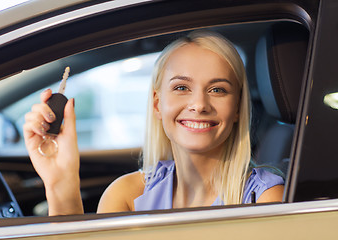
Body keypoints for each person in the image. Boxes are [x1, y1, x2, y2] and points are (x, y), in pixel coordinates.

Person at [23, 30, 284, 216]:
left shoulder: (263, 199)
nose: (199, 104)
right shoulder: (127, 195)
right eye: (182, 87)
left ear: (237, 107)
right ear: (157, 104)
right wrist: (61, 183)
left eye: (217, 90)